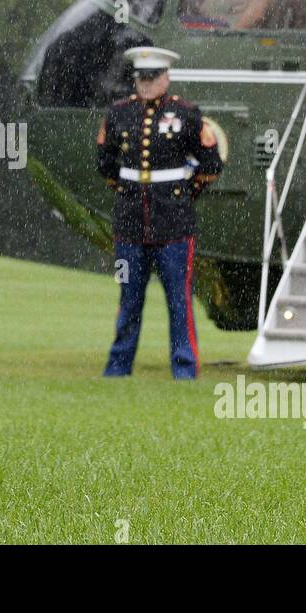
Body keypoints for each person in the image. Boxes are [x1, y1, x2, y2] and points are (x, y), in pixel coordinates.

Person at [96, 47, 222, 379]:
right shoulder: (119, 114)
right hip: (129, 225)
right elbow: (105, 163)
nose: (146, 85)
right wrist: (127, 192)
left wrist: (184, 194)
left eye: (153, 78)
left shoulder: (186, 114)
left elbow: (211, 164)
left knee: (179, 303)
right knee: (128, 299)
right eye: (141, 78)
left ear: (166, 78)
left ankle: (184, 369)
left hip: (175, 226)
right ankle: (118, 369)